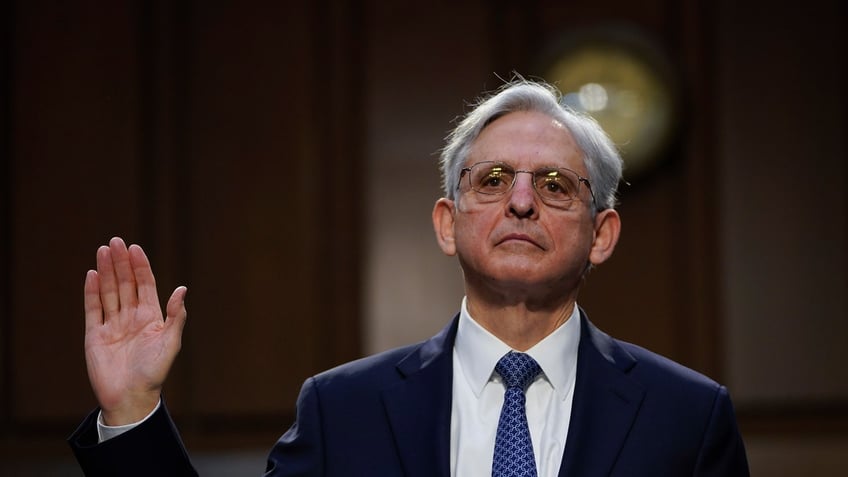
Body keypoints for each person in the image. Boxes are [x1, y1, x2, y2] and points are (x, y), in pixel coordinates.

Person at [69, 79, 750, 476]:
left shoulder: (687, 417)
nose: (520, 201)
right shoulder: (343, 411)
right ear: (447, 223)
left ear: (601, 234)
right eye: (491, 180)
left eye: (552, 184)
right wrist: (131, 413)